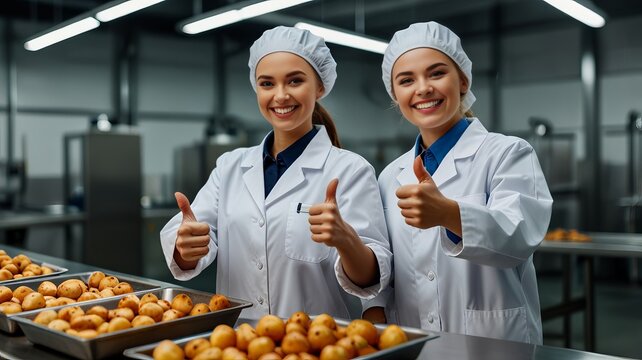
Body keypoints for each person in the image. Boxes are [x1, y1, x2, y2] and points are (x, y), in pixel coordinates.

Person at [160, 26, 391, 320]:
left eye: (295, 81)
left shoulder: (350, 170)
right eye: (267, 84)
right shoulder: (230, 167)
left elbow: (373, 280)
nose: (280, 96)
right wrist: (186, 246)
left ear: (319, 87)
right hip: (239, 342)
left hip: (317, 345)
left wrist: (347, 241)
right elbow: (187, 242)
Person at [364, 21, 553, 344]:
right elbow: (384, 263)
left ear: (463, 81)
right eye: (406, 80)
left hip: (492, 340)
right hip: (412, 339)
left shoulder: (507, 153)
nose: (422, 88)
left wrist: (449, 214)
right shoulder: (390, 175)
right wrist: (374, 305)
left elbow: (522, 236)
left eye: (436, 74)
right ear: (395, 94)